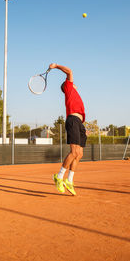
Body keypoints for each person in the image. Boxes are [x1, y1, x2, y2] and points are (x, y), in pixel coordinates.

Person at [49, 63, 87, 196]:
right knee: (74, 151)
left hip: (79, 123)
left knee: (80, 154)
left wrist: (83, 127)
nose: (74, 83)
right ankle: (59, 176)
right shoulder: (69, 87)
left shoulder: (75, 93)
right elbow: (69, 71)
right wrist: (56, 66)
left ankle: (69, 180)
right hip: (73, 121)